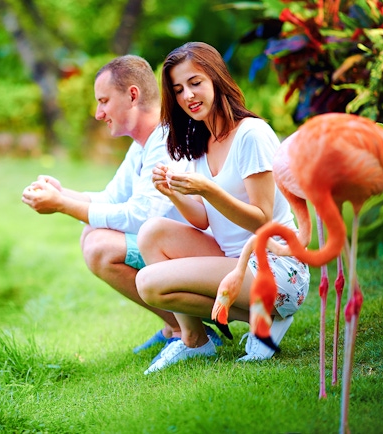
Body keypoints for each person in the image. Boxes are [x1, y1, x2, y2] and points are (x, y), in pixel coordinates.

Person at [21, 55, 222, 353]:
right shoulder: (144, 144)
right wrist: (63, 193)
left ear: (132, 95)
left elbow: (140, 218)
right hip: (178, 248)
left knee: (99, 246)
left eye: (103, 101)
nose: (98, 113)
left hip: (210, 256)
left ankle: (190, 333)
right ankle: (176, 327)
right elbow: (111, 198)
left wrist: (62, 205)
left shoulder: (168, 141)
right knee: (92, 235)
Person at [135, 41, 310, 374]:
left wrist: (208, 189)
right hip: (233, 261)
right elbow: (202, 219)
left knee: (148, 283)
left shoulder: (251, 135)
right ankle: (195, 341)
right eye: (178, 89)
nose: (188, 95)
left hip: (277, 265)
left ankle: (268, 317)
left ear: (216, 79)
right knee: (151, 233)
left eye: (195, 82)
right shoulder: (200, 142)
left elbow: (262, 220)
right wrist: (173, 191)